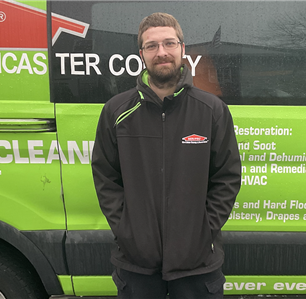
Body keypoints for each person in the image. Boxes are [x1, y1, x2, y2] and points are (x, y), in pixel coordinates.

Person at [91, 12, 241, 299]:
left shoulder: (211, 110)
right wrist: (128, 231)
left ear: (182, 49)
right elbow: (105, 176)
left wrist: (203, 231)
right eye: (152, 45)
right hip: (137, 265)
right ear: (142, 54)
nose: (162, 52)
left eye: (169, 43)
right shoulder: (116, 110)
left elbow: (227, 176)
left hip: (197, 265)